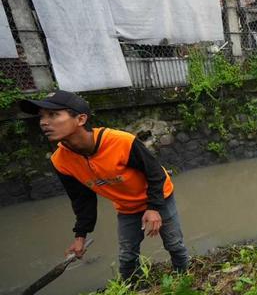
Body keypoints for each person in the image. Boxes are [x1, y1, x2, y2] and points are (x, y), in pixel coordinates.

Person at [19, 91, 189, 280]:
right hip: (127, 208)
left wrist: (154, 208)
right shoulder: (61, 161)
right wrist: (80, 236)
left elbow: (155, 173)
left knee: (174, 244)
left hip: (160, 198)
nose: (43, 122)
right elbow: (82, 200)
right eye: (41, 116)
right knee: (126, 257)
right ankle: (135, 290)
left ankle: (183, 279)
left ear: (81, 119)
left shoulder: (121, 142)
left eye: (53, 115)